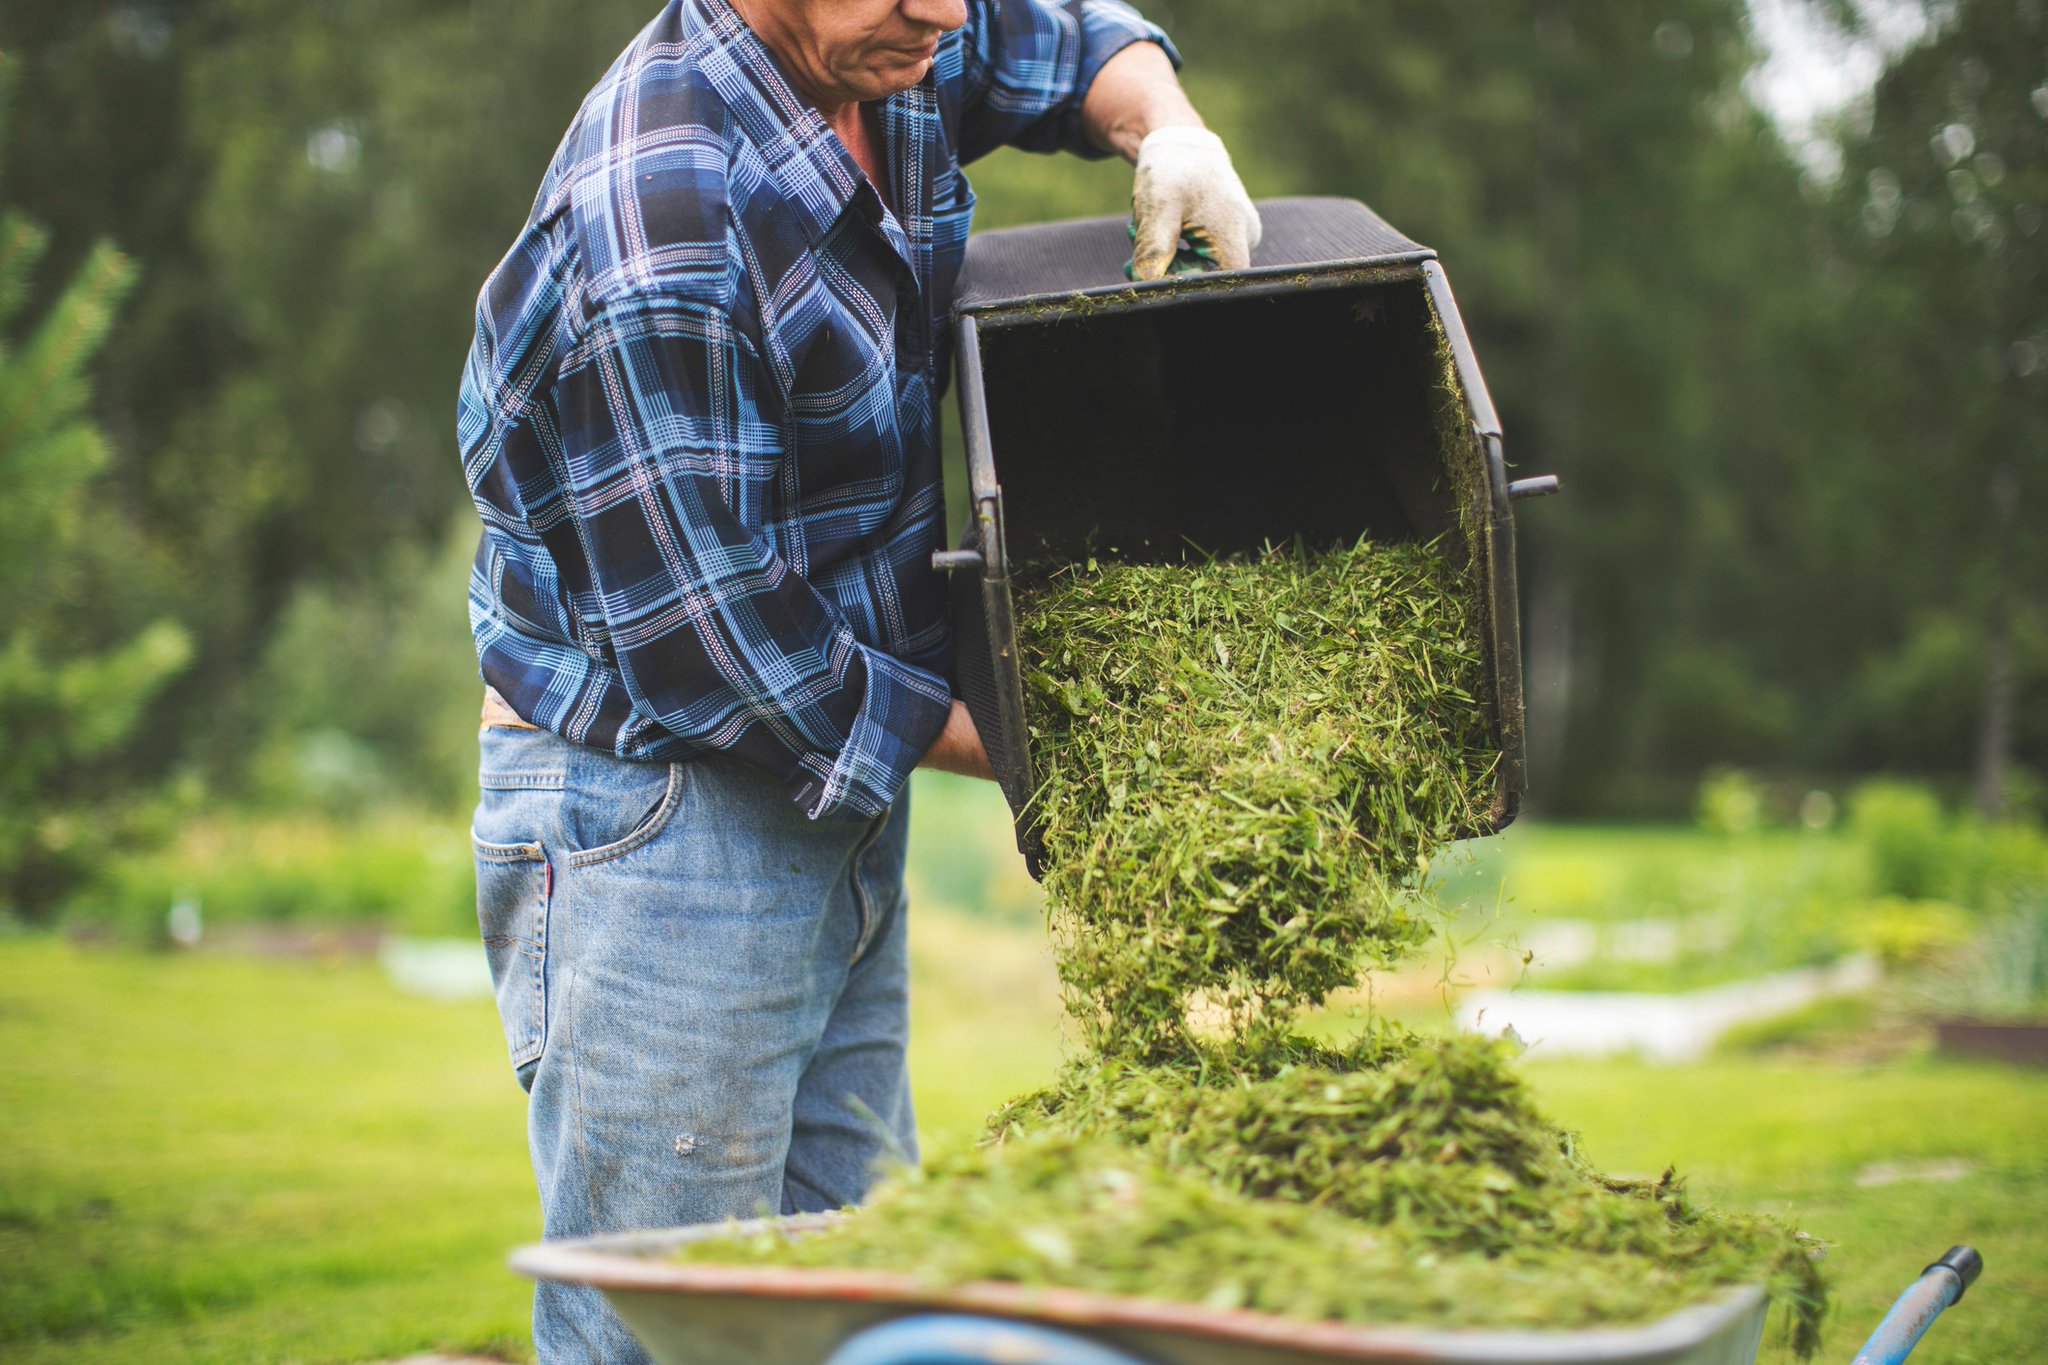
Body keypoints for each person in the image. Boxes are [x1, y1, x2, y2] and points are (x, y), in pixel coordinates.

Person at [456, 0, 1258, 1357]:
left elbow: (1058, 40)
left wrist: (1171, 130)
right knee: (674, 1326)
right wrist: (1042, 740)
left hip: (834, 784)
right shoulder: (661, 222)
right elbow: (720, 644)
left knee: (854, 1297)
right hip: (665, 818)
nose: (942, 10)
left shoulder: (890, 41)